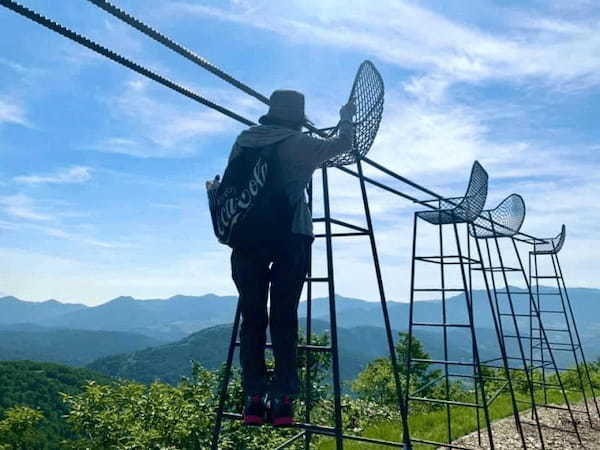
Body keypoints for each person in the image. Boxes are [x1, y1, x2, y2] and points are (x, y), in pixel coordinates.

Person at [208, 90, 355, 427]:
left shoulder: (244, 141)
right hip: (292, 235)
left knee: (253, 316)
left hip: (246, 240)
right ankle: (284, 401)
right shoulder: (301, 144)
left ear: (270, 113)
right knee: (284, 316)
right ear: (298, 119)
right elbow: (344, 145)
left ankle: (254, 399)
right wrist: (345, 116)